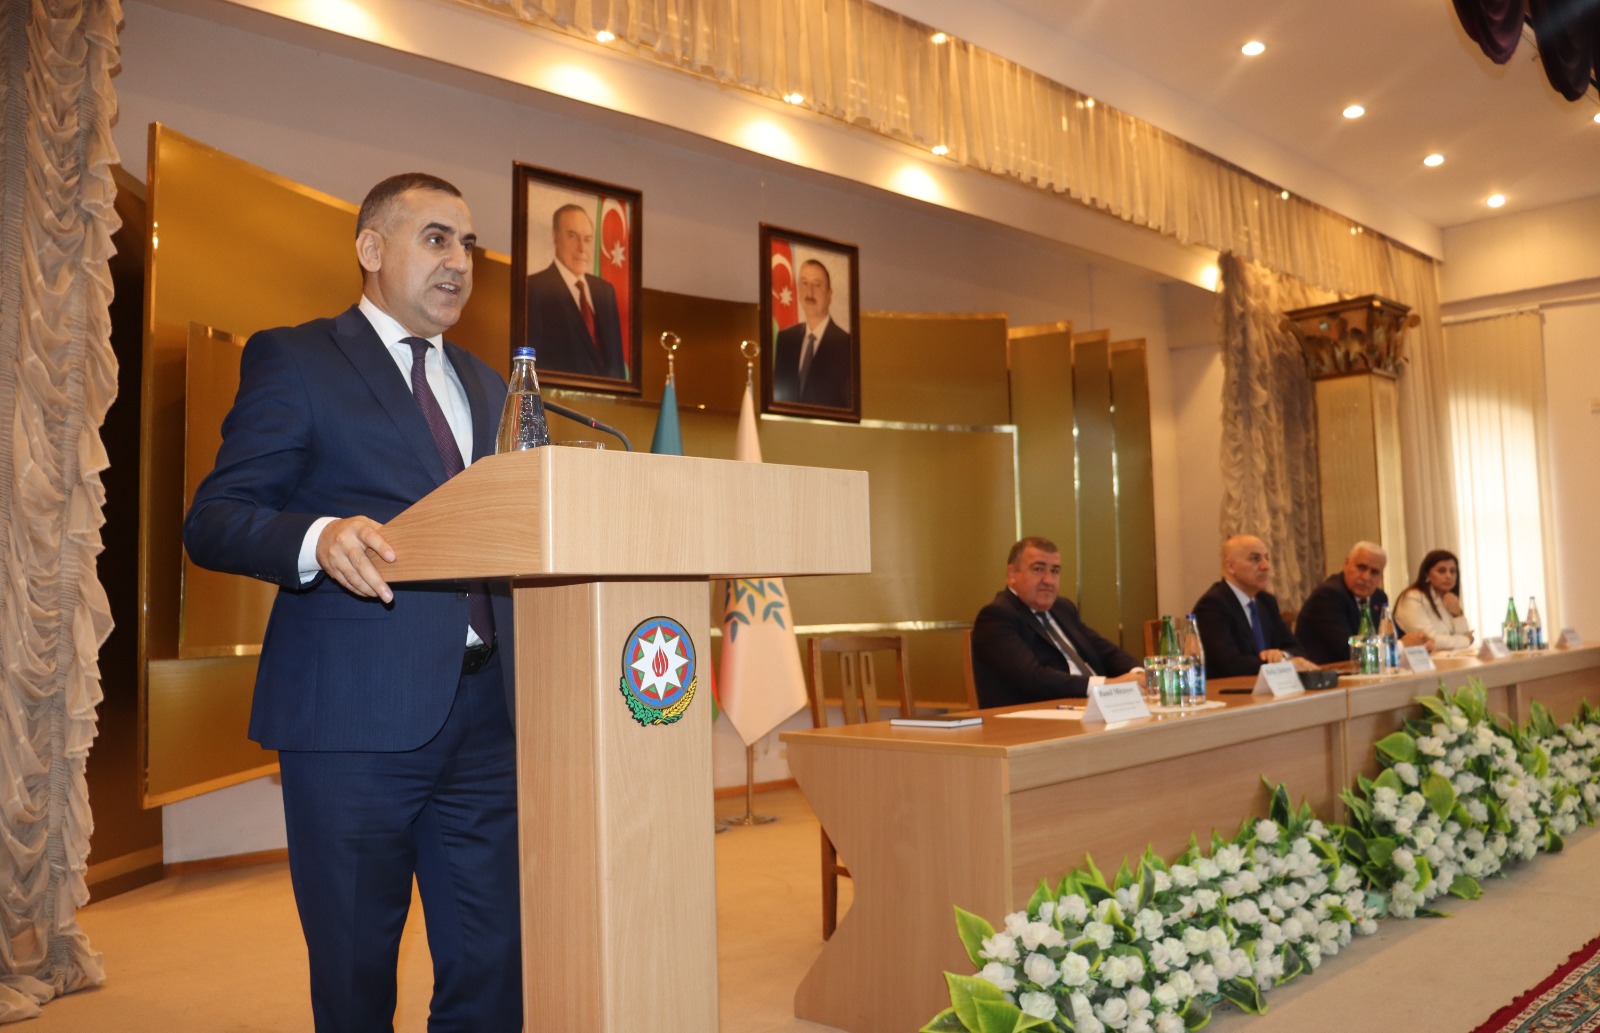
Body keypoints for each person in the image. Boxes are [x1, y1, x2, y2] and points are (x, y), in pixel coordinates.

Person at [183, 173, 522, 1032]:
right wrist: (319, 536)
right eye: (436, 238)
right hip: (352, 720)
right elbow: (215, 519)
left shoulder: (491, 385)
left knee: (494, 968)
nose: (459, 262)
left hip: (488, 716)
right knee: (356, 976)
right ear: (371, 248)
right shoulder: (297, 359)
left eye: (469, 246)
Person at [971, 536, 1143, 707]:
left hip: (1094, 705)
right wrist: (1107, 685)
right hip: (1039, 714)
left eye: (1055, 571)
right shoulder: (996, 617)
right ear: (1012, 574)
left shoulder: (1063, 608)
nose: (1048, 580)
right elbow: (1034, 677)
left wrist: (1139, 674)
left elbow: (1103, 650)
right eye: (1038, 569)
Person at [1192, 534, 1318, 677]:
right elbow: (1229, 664)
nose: (1266, 566)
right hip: (1232, 689)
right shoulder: (1213, 606)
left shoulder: (1266, 602)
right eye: (1255, 559)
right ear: (1230, 566)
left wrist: (1281, 655)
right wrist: (1281, 664)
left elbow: (1298, 649)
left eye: (1266, 558)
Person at [525, 203, 626, 380]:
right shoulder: (534, 288)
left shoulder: (605, 291)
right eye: (572, 236)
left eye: (587, 239)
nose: (581, 248)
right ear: (555, 237)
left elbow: (616, 362)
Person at [1295, 540, 1430, 664]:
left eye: (1374, 572)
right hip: (1328, 674)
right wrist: (1401, 645)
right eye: (1361, 568)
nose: (1366, 577)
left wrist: (1421, 641)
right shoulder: (1328, 595)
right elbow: (1348, 650)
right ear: (1346, 564)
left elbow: (1395, 635)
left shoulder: (1378, 597)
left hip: (1364, 672)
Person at [772, 258, 852, 409]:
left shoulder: (847, 345)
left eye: (817, 285)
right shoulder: (785, 339)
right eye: (804, 283)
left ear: (829, 295)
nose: (809, 292)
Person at [1394, 549, 1476, 649]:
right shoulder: (1412, 598)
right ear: (1427, 574)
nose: (1448, 576)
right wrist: (1466, 640)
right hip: (1420, 657)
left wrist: (1457, 614)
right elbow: (1429, 640)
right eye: (1442, 571)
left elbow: (1463, 635)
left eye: (1453, 571)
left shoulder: (1448, 598)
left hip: (1450, 657)